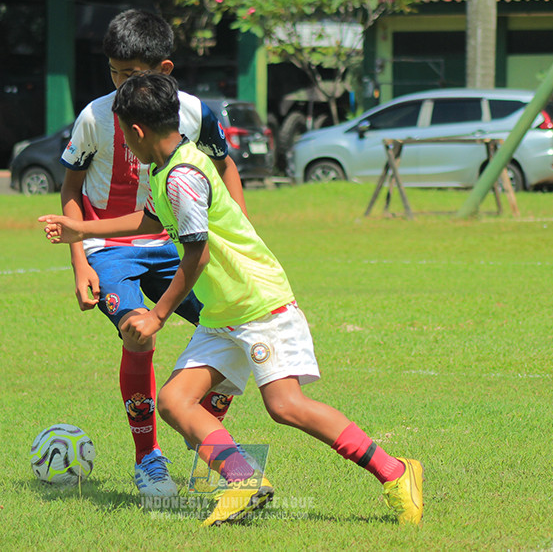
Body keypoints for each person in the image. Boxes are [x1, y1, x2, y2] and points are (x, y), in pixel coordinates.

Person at [39, 73, 423, 527]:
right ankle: (243, 479)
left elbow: (196, 257)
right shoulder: (172, 165)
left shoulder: (182, 176)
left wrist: (159, 316)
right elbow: (148, 218)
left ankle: (396, 472)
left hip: (258, 304)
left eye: (123, 133)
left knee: (285, 406)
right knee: (175, 401)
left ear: (137, 131)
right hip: (224, 312)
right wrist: (81, 230)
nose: (124, 142)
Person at [58, 10, 244, 498]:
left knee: (235, 325)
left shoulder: (194, 112)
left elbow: (226, 171)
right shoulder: (96, 117)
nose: (120, 84)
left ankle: (202, 422)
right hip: (110, 248)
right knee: (138, 333)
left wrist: (236, 238)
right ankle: (149, 463)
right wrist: (80, 262)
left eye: (132, 74)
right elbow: (71, 190)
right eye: (114, 73)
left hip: (172, 244)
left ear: (163, 70)